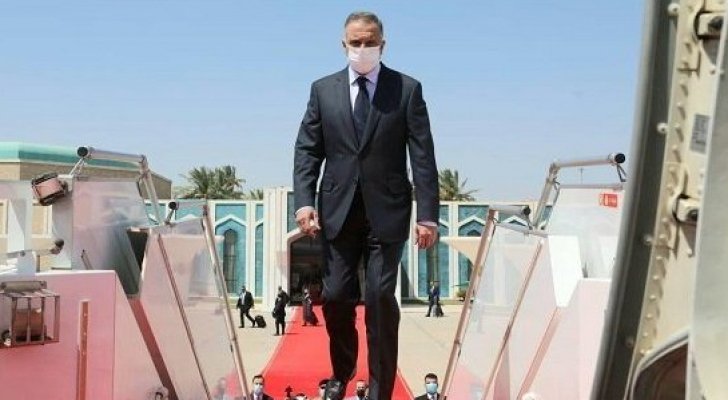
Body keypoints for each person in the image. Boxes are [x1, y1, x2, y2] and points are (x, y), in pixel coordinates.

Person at [293, 11, 439, 400]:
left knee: (379, 297)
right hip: (337, 211)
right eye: (355, 42)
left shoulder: (406, 89)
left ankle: (379, 389)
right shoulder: (322, 90)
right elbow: (308, 150)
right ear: (343, 45)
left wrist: (427, 215)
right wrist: (304, 203)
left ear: (382, 44)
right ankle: (342, 371)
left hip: (387, 213)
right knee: (336, 296)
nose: (362, 48)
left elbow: (422, 155)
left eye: (369, 41)